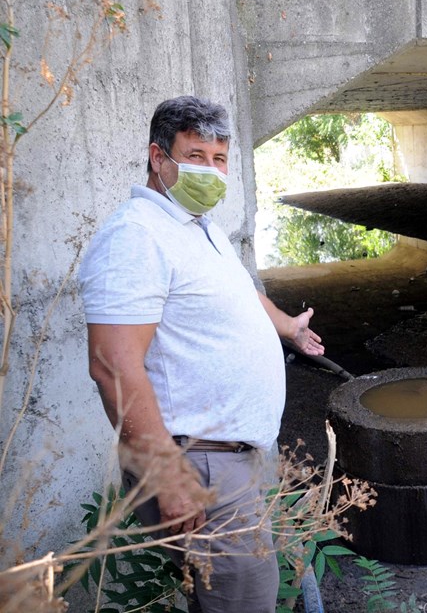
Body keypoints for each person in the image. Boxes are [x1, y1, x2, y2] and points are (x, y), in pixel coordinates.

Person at [78, 95, 323, 613]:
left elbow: (238, 292)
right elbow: (111, 365)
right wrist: (167, 475)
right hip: (197, 466)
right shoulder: (135, 237)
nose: (209, 171)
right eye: (194, 155)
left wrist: (287, 329)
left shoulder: (195, 226)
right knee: (241, 602)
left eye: (218, 159)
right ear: (157, 157)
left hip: (227, 460)